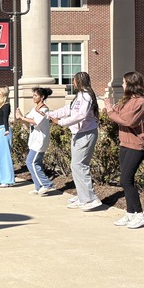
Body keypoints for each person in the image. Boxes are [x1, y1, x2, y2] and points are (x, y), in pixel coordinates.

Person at [104, 72, 144, 228]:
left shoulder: (141, 101)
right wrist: (111, 109)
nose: (122, 85)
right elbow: (117, 115)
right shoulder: (126, 100)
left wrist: (111, 111)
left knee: (126, 180)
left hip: (137, 145)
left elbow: (128, 121)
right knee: (125, 181)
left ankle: (140, 214)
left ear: (131, 84)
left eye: (124, 82)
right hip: (124, 143)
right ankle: (130, 213)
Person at [48, 72, 102, 211]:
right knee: (76, 165)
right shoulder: (80, 95)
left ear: (79, 81)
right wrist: (52, 114)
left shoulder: (86, 96)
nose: (73, 82)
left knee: (79, 165)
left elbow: (81, 114)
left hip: (86, 133)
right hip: (79, 133)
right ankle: (83, 196)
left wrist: (61, 122)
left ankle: (90, 199)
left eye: (74, 80)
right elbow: (69, 109)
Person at [17, 87, 53, 195]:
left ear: (42, 97)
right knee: (33, 163)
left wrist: (22, 118)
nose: (33, 97)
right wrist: (20, 117)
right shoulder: (35, 109)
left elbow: (35, 122)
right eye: (33, 95)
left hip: (40, 141)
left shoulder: (44, 110)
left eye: (36, 95)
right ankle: (38, 187)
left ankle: (46, 184)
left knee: (31, 162)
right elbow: (27, 119)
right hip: (34, 140)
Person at [0, 87, 15, 187]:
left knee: (4, 156)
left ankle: (7, 180)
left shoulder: (6, 105)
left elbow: (5, 119)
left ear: (3, 93)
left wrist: (6, 130)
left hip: (4, 131)